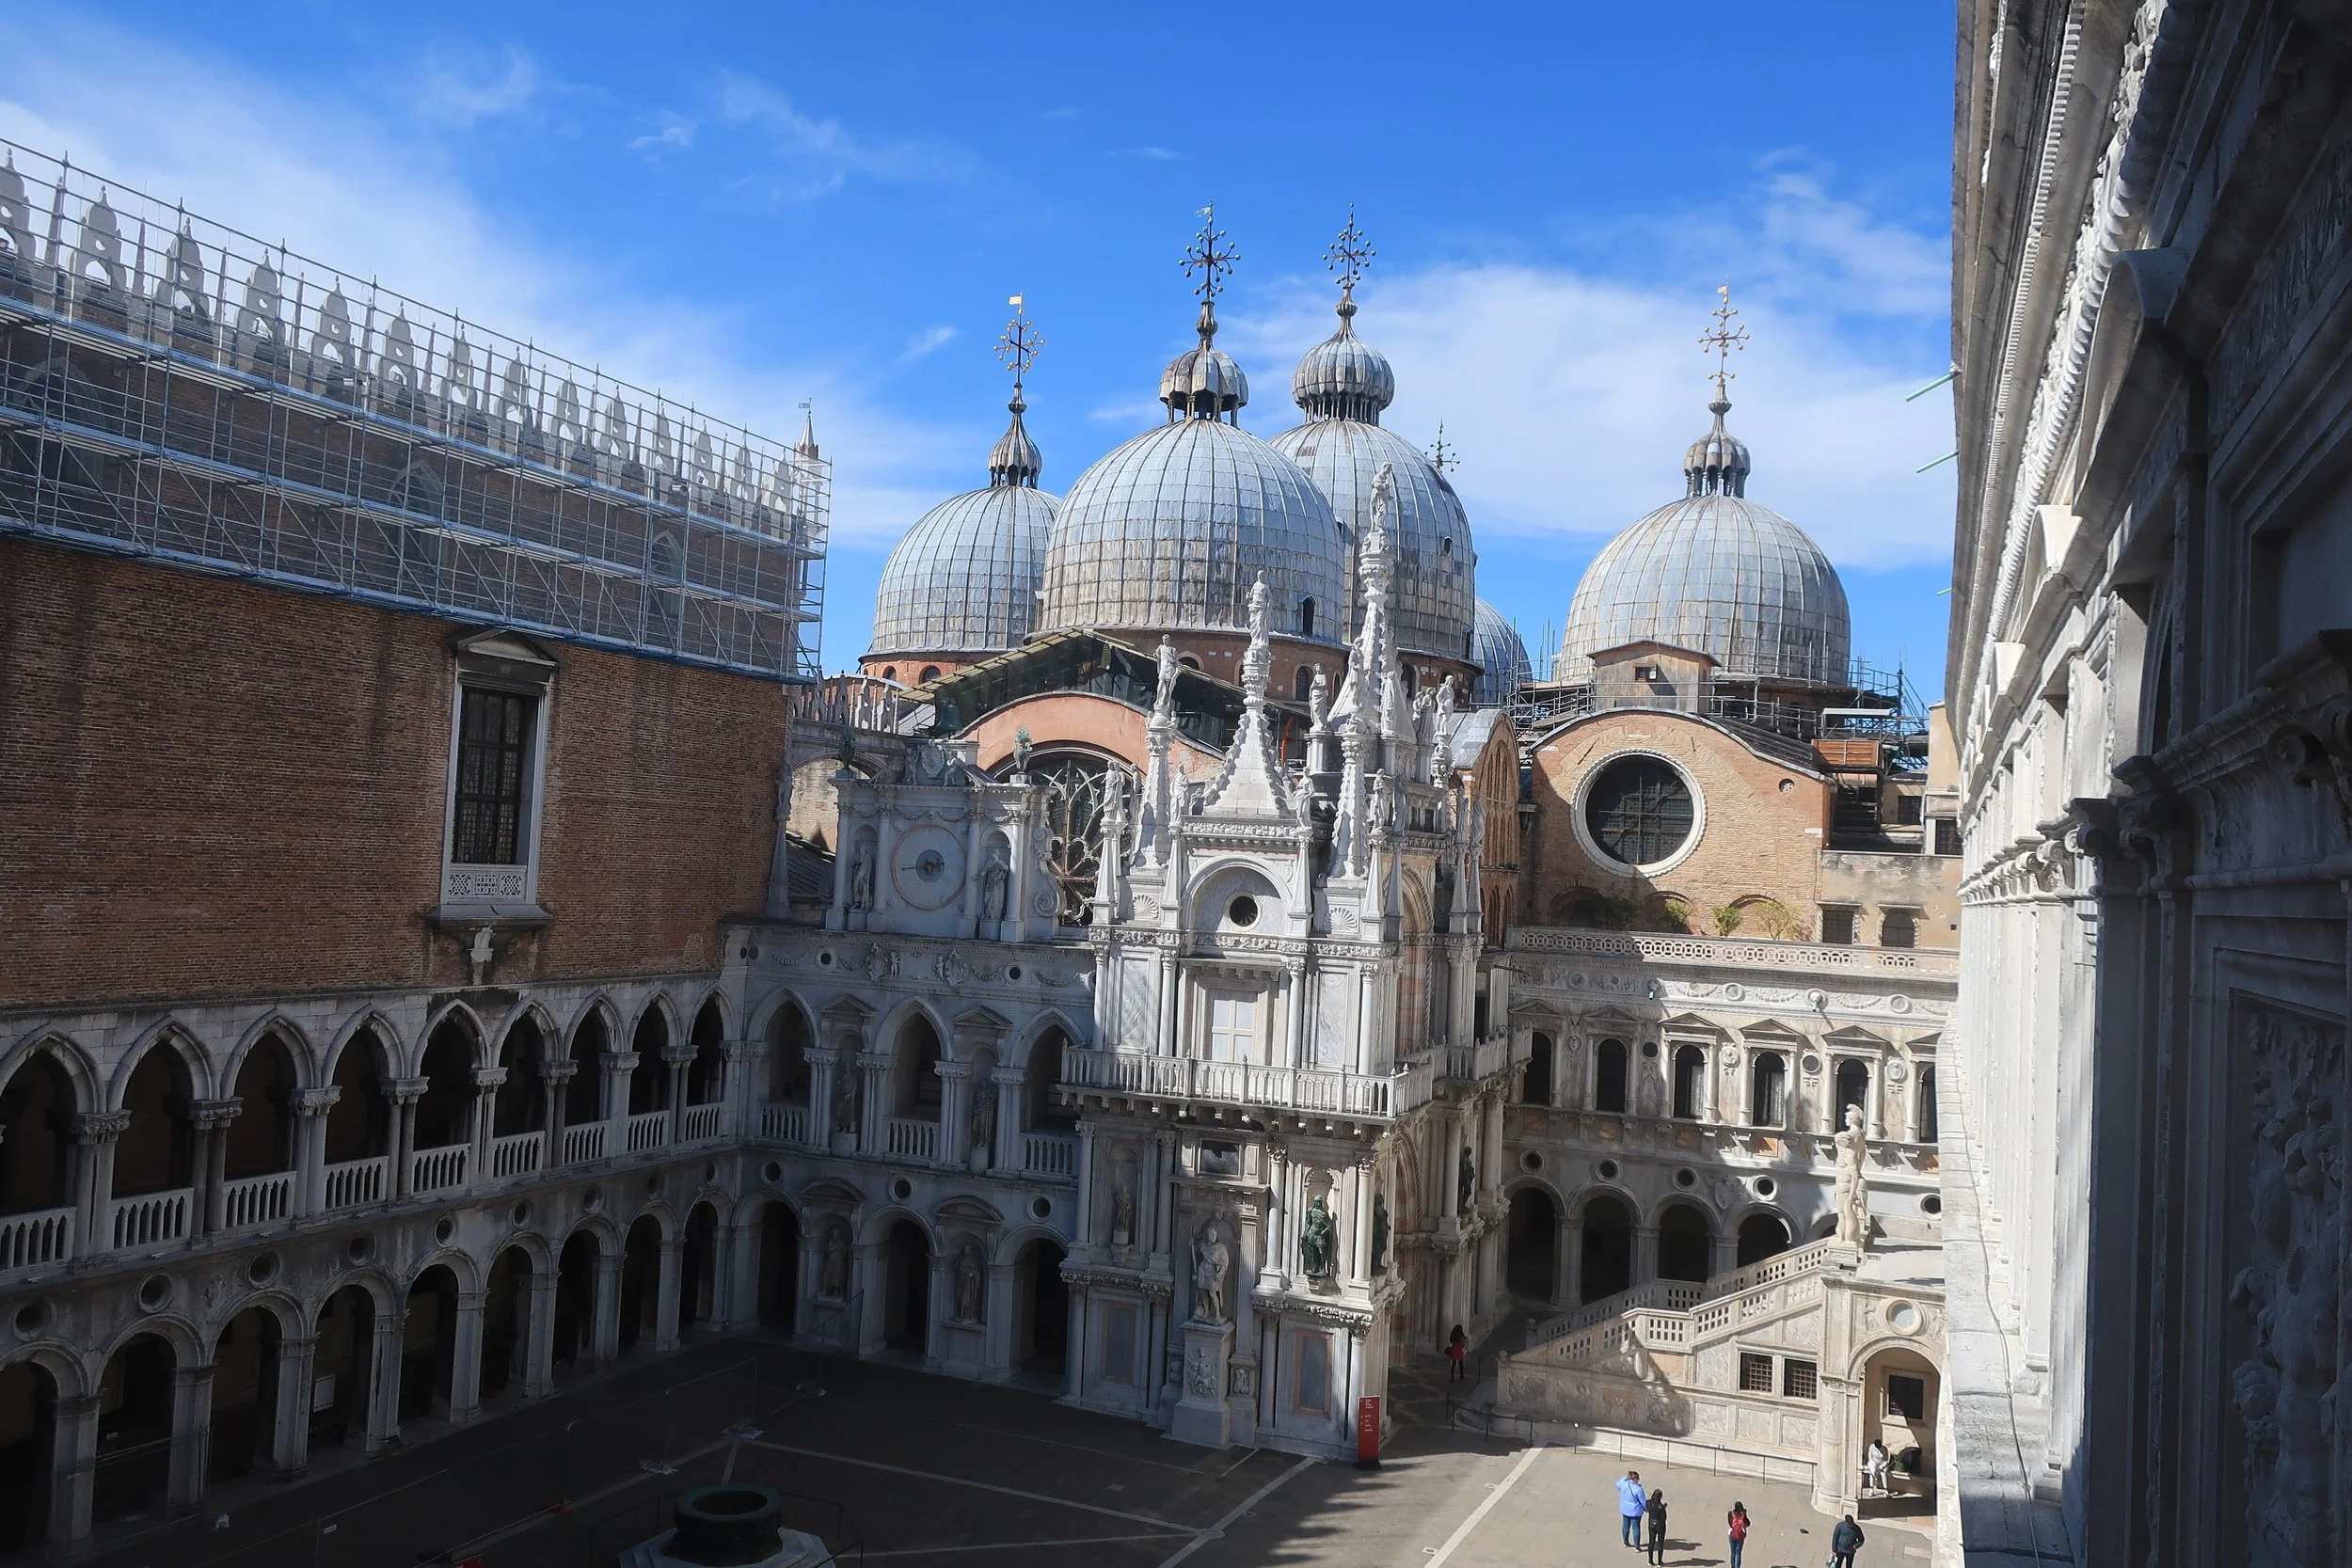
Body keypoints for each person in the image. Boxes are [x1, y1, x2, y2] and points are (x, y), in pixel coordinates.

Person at [1614, 1471, 1646, 1548]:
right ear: (1635, 1479)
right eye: (1638, 1478)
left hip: (1625, 1509)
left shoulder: (1624, 1484)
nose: (1639, 1479)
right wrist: (1646, 1509)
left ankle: (1625, 1542)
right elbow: (1643, 1501)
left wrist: (1625, 1477)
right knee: (1636, 1528)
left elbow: (1617, 1485)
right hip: (1635, 1512)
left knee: (1625, 1526)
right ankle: (1637, 1546)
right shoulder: (1638, 1489)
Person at [1644, 1488, 1667, 1564]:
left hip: (1651, 1523)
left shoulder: (1649, 1502)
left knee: (1651, 1542)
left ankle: (1650, 1560)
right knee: (1660, 1543)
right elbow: (1664, 1518)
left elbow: (1647, 1509)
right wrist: (1663, 1508)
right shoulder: (1660, 1507)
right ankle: (1659, 1561)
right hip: (1660, 1525)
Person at [1726, 1500, 1751, 1568]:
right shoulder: (1743, 1515)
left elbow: (1730, 1522)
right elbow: (1748, 1523)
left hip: (1732, 1535)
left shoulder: (1731, 1514)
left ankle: (1732, 1565)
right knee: (1738, 1552)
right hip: (1740, 1536)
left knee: (1733, 1551)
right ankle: (1738, 1566)